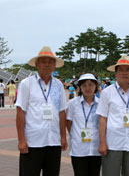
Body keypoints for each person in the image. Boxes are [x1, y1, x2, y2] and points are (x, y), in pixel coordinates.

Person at [16, 46, 68, 176]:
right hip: (32, 142)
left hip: (54, 142)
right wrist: (21, 140)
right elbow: (20, 112)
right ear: (37, 64)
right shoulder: (26, 84)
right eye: (43, 61)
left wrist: (63, 136)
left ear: (54, 65)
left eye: (50, 62)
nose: (47, 65)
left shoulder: (58, 85)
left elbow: (62, 112)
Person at [96, 55, 129, 176]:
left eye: (128, 69)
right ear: (116, 73)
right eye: (121, 70)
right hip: (113, 143)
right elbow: (102, 118)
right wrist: (102, 142)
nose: (124, 73)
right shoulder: (107, 92)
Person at [66, 73, 102, 176]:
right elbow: (69, 123)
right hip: (78, 149)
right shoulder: (73, 104)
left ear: (95, 86)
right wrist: (75, 136)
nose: (87, 88)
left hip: (96, 149)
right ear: (80, 87)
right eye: (84, 85)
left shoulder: (101, 103)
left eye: (90, 84)